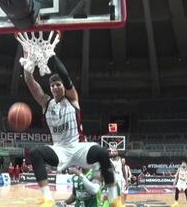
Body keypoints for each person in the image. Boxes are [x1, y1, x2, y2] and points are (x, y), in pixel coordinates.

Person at [16, 31, 122, 207]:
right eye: (52, 85)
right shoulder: (46, 103)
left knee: (103, 153)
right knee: (35, 153)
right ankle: (47, 198)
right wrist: (28, 70)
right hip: (60, 150)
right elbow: (32, 85)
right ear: (50, 88)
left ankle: (113, 199)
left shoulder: (72, 99)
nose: (56, 87)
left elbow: (65, 76)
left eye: (58, 84)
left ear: (63, 88)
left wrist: (51, 56)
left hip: (79, 147)